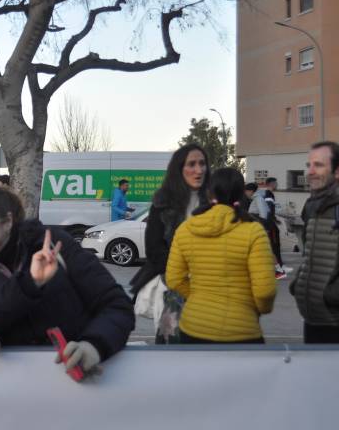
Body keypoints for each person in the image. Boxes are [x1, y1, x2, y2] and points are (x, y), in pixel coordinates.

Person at [0, 184, 134, 372]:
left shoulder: (54, 245)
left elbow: (117, 306)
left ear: (7, 222)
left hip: (75, 382)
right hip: (9, 386)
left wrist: (93, 346)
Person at [165, 168, 276, 343]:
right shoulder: (253, 231)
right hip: (242, 330)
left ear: (209, 193)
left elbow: (173, 279)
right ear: (241, 194)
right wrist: (256, 309)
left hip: (193, 326)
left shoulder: (186, 229)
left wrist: (198, 298)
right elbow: (265, 291)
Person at [129, 143, 210, 344]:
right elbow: (154, 249)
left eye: (202, 164)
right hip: (173, 283)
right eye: (192, 164)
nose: (198, 170)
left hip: (211, 284)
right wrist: (182, 271)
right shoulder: (162, 202)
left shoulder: (215, 200)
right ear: (179, 168)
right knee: (172, 343)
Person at [290, 141, 339, 343]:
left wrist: (330, 295)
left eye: (318, 165)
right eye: (308, 165)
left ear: (337, 171)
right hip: (313, 319)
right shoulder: (313, 204)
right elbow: (311, 252)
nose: (310, 172)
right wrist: (299, 283)